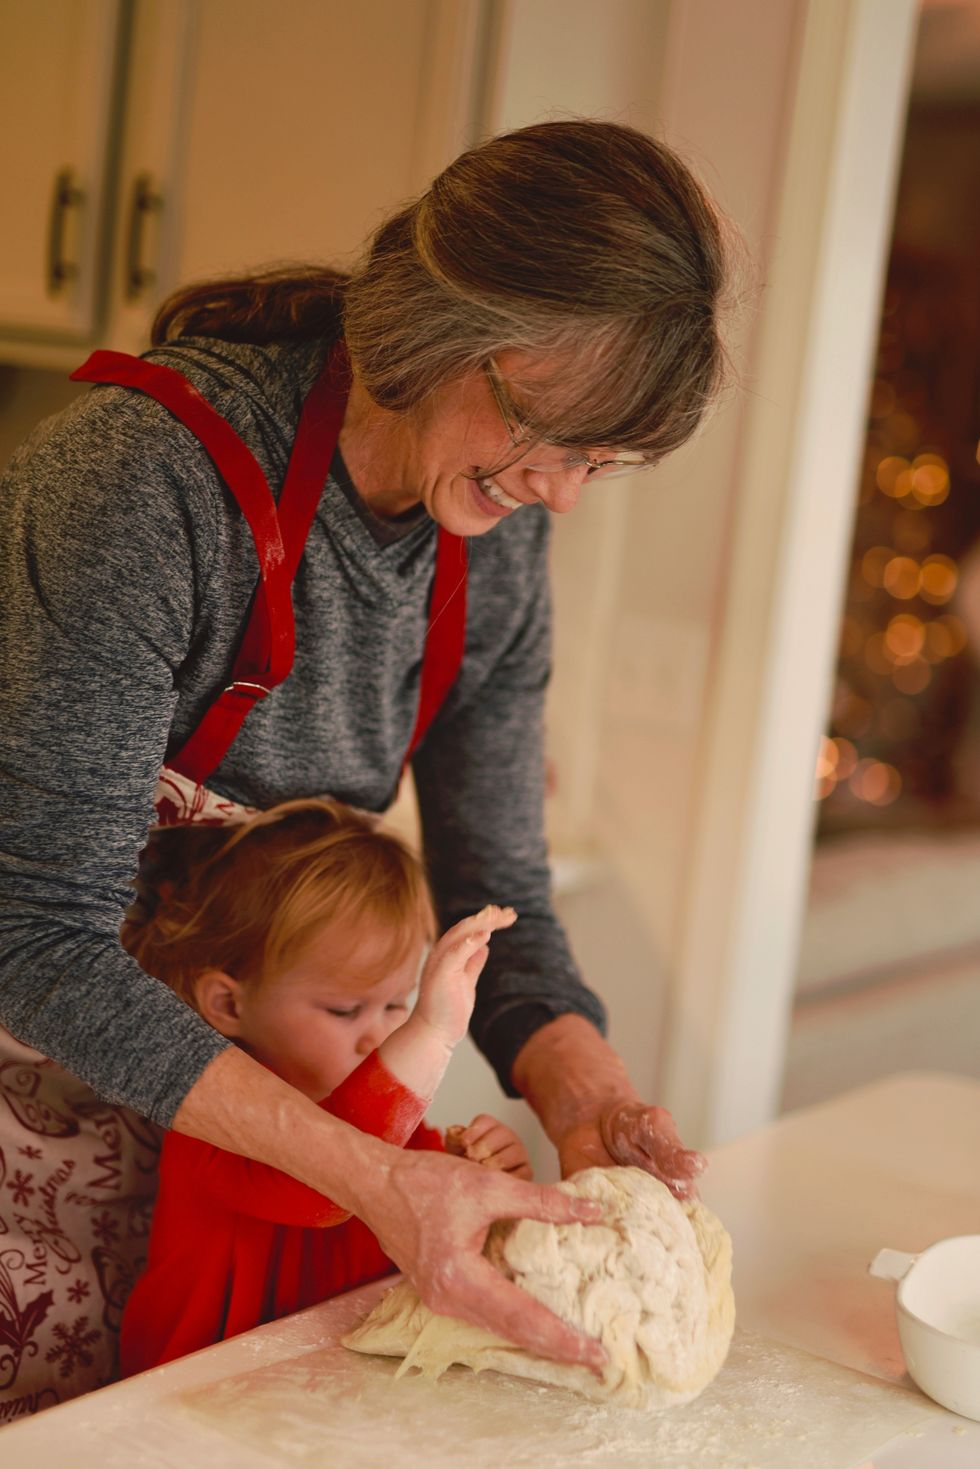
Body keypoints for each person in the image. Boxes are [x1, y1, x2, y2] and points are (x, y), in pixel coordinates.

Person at [0, 118, 729, 1416]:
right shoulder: (143, 481)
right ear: (440, 334)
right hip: (29, 1163)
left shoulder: (487, 539)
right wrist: (379, 1175)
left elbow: (499, 883)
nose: (560, 495)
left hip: (234, 1187)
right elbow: (38, 936)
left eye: (599, 464)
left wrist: (586, 1092)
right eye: (549, 435)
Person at [118, 798, 530, 1375]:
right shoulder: (209, 1118)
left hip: (325, 1384)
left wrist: (482, 1174)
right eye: (344, 1010)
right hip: (186, 1394)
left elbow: (429, 1221)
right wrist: (431, 1031)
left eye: (396, 1004)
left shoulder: (393, 1122)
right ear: (229, 1003)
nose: (380, 1037)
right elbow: (326, 1190)